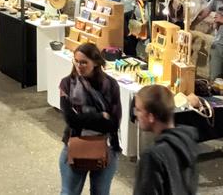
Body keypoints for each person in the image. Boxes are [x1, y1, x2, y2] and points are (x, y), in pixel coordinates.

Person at [58, 43, 122, 195]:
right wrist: (100, 116)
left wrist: (83, 117)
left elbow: (113, 124)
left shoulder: (111, 85)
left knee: (100, 192)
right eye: (76, 61)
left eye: (84, 62)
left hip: (106, 147)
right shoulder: (67, 84)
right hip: (74, 146)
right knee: (69, 192)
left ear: (96, 62)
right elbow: (71, 120)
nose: (79, 66)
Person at [133, 85, 199, 195]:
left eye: (139, 110)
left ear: (151, 116)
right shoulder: (187, 140)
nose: (136, 115)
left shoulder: (152, 156)